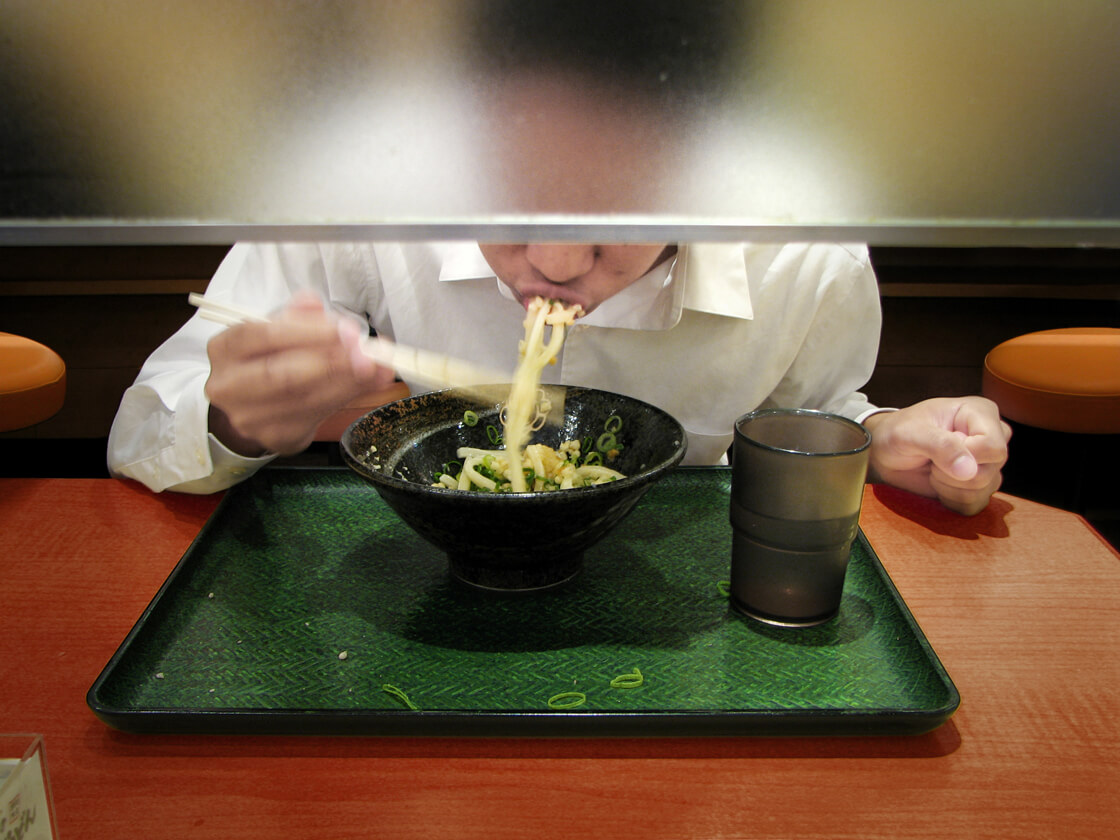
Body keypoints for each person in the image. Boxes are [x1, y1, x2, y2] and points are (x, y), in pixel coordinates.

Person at [107, 241, 1010, 515]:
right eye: (507, 189)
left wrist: (881, 432)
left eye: (623, 200)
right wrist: (236, 417)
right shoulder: (357, 195)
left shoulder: (806, 256)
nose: (554, 258)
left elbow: (811, 414)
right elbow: (145, 431)